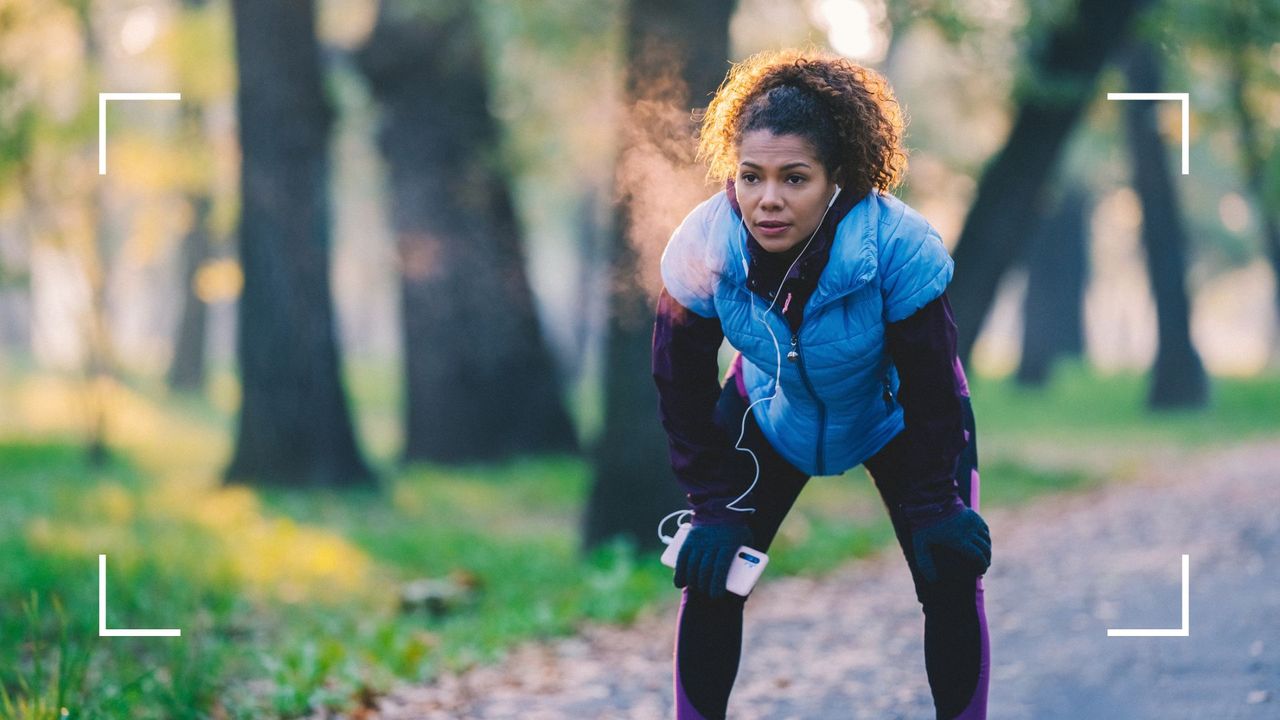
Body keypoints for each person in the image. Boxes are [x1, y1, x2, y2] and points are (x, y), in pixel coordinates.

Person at [651, 49, 992, 720]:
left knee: (949, 569)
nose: (767, 199)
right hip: (771, 416)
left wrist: (934, 504)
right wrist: (712, 503)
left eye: (794, 178)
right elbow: (678, 385)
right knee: (711, 574)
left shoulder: (899, 246)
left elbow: (931, 383)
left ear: (839, 179)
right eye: (750, 177)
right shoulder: (704, 247)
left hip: (896, 419)